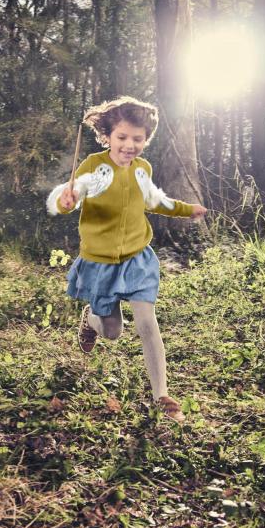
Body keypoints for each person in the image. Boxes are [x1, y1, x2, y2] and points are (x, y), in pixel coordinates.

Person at [46, 96, 207, 423]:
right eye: (122, 137)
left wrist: (186, 209)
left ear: (146, 139)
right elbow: (69, 198)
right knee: (113, 331)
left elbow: (155, 201)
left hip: (136, 258)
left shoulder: (142, 170)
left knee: (147, 322)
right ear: (108, 135)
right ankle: (91, 319)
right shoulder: (94, 166)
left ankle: (161, 395)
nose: (130, 145)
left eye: (138, 139)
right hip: (101, 263)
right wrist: (66, 200)